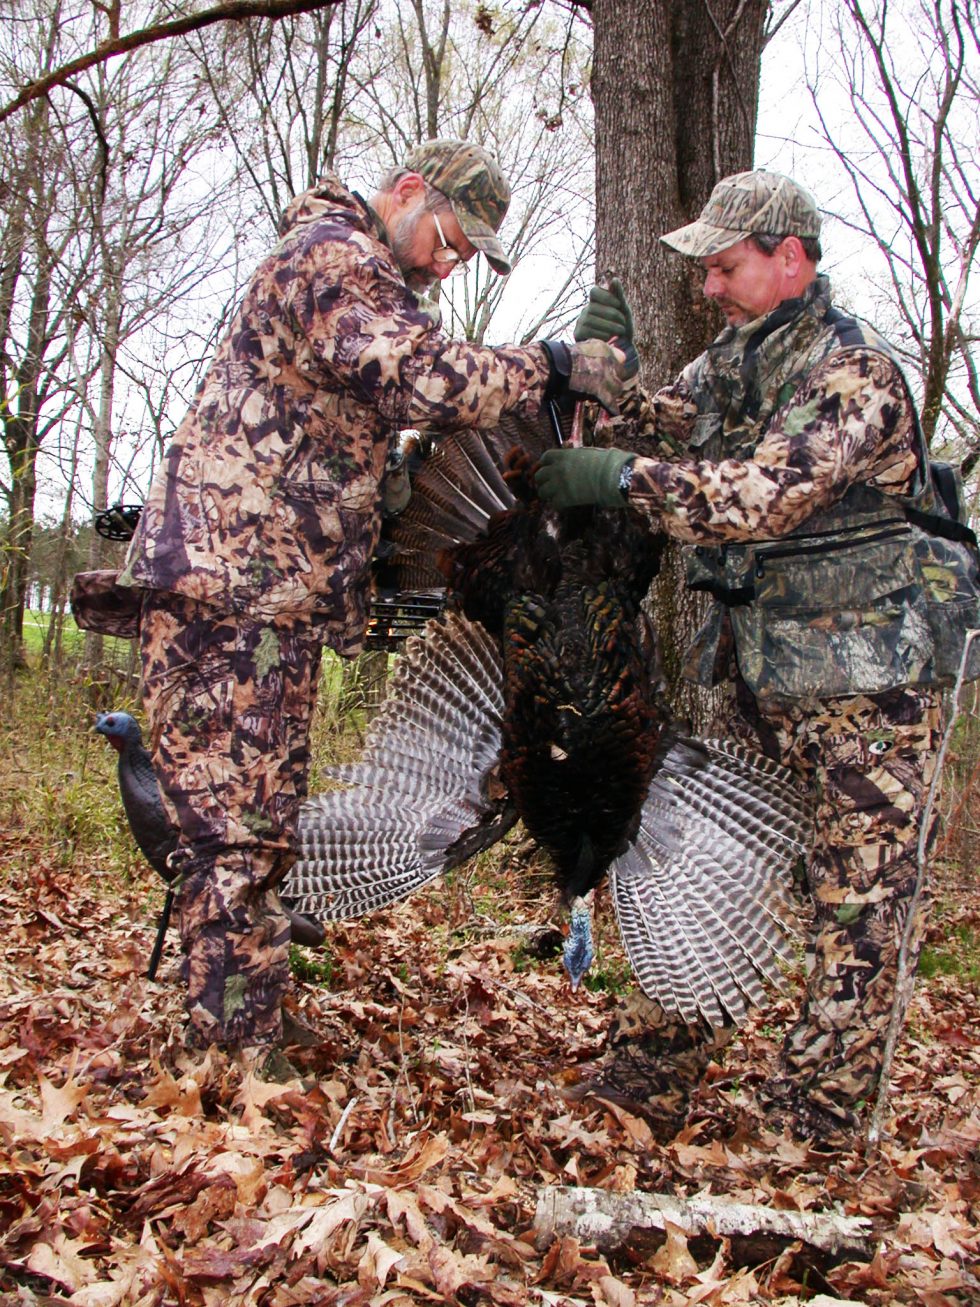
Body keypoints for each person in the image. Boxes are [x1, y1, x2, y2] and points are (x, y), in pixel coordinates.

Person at [118, 137, 635, 1076]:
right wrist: (553, 364)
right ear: (406, 193)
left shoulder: (349, 272)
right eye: (451, 235)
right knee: (235, 825)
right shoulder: (334, 256)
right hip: (231, 589)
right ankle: (228, 1049)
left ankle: (251, 1015)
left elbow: (354, 413)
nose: (452, 259)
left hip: (268, 596)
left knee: (265, 824)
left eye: (469, 251)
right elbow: (420, 377)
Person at [535, 169, 955, 1144]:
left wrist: (617, 475)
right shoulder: (732, 365)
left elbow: (757, 497)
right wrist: (610, 371)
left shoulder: (850, 377)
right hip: (760, 680)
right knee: (695, 866)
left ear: (789, 260)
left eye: (724, 267)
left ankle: (818, 1120)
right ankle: (647, 1070)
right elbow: (659, 421)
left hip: (870, 693)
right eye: (705, 271)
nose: (709, 287)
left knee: (857, 909)